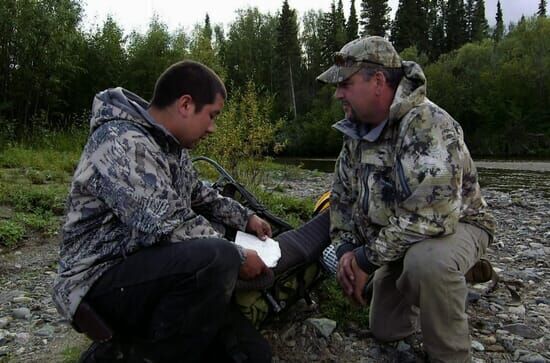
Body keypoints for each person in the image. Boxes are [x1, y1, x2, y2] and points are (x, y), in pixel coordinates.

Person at [53, 60, 277, 362]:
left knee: (253, 355)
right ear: (186, 104)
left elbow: (198, 195)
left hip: (144, 264)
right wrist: (237, 255)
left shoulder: (170, 147)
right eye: (212, 116)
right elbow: (168, 224)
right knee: (216, 258)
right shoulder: (123, 142)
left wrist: (245, 217)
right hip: (97, 278)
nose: (212, 128)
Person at [317, 36, 496, 362]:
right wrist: (345, 252)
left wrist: (366, 260)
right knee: (386, 328)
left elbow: (432, 217)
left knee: (427, 265)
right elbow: (341, 198)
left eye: (345, 84)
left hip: (456, 225)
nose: (338, 93)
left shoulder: (428, 125)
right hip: (399, 236)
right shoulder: (357, 132)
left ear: (379, 81)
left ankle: (450, 353)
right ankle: (441, 280)